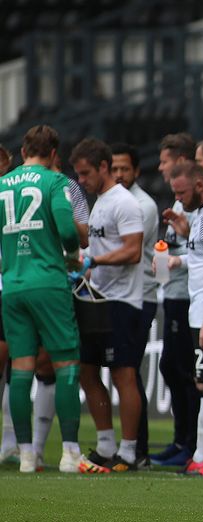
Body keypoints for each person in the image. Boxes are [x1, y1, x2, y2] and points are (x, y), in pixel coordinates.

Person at [0, 125, 103, 474]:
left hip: (12, 284)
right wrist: (73, 255)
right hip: (48, 281)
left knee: (21, 368)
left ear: (24, 149)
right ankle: (70, 453)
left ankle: (26, 454)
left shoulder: (2, 184)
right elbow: (65, 227)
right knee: (66, 365)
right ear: (54, 154)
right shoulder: (55, 182)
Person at [70, 137, 145, 472]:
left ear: (103, 167)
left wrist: (95, 262)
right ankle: (105, 444)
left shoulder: (123, 202)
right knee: (87, 371)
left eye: (85, 173)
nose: (81, 181)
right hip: (94, 299)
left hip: (121, 301)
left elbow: (133, 250)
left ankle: (128, 453)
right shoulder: (99, 202)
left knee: (123, 374)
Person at [165, 162, 203, 478]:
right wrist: (178, 259)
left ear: (200, 185)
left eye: (182, 193)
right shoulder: (201, 213)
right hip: (198, 311)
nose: (178, 199)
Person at [110, 142, 158, 466]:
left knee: (129, 370)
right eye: (113, 169)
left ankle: (138, 450)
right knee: (124, 371)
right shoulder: (113, 202)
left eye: (124, 169)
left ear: (137, 171)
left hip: (141, 296)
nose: (118, 174)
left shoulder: (144, 205)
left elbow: (127, 250)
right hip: (120, 295)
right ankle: (135, 448)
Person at [153, 133, 199, 467]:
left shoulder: (198, 206)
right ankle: (180, 439)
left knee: (181, 369)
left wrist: (176, 260)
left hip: (187, 298)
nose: (160, 166)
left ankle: (190, 443)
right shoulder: (179, 203)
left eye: (166, 159)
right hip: (172, 294)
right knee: (172, 367)